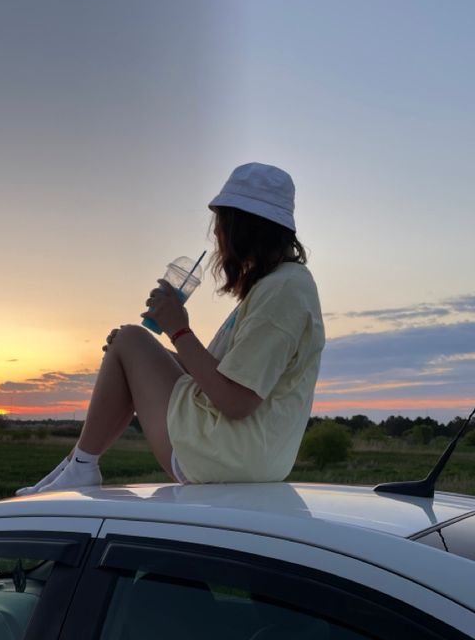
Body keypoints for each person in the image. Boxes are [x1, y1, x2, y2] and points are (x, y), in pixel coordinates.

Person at [17, 162, 325, 495]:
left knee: (133, 337)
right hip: (243, 456)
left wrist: (178, 330)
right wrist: (156, 356)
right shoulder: (282, 287)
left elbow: (235, 402)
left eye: (221, 226)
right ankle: (77, 464)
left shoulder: (282, 292)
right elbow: (225, 381)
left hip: (225, 453)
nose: (218, 238)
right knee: (131, 343)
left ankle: (81, 467)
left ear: (240, 228)